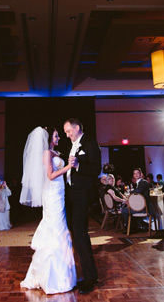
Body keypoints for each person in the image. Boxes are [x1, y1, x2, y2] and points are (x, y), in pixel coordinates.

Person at [20, 126, 77, 294]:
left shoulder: (53, 152)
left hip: (59, 193)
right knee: (56, 227)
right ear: (48, 138)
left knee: (60, 227)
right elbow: (50, 175)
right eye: (56, 136)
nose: (59, 138)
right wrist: (69, 166)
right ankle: (53, 276)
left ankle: (63, 272)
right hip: (52, 194)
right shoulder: (46, 153)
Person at [62, 118, 101, 294]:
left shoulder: (90, 143)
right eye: (65, 132)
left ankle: (90, 278)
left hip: (83, 195)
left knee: (81, 234)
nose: (67, 134)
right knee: (76, 235)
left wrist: (78, 165)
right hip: (72, 195)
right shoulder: (72, 145)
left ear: (77, 128)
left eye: (69, 131)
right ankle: (86, 274)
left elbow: (96, 169)